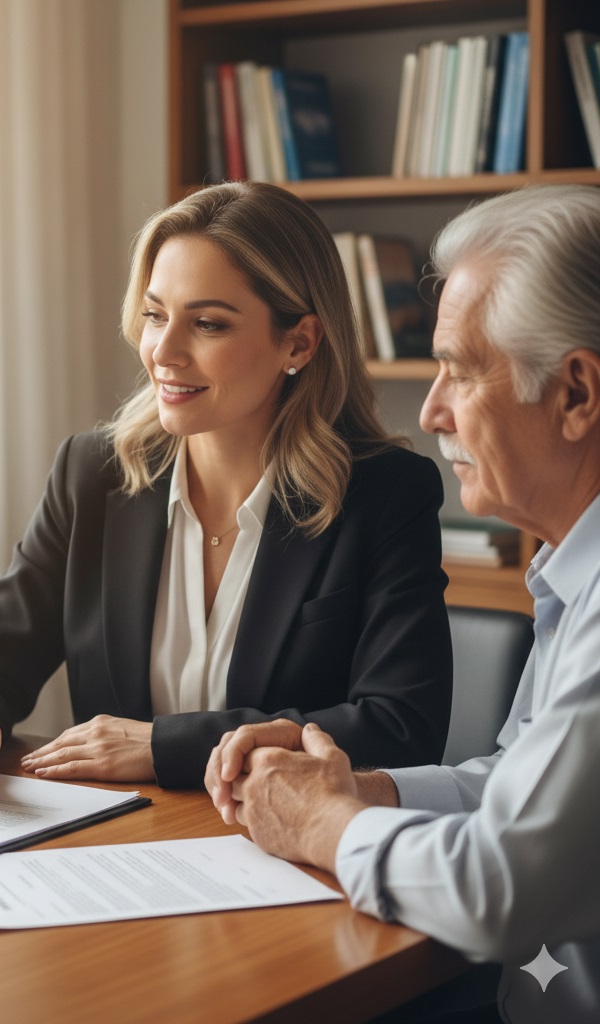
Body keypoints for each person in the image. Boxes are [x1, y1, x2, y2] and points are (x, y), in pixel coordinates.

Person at [0, 181, 451, 796]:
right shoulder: (92, 473)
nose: (163, 351)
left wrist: (162, 747)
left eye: (207, 323)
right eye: (155, 314)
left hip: (284, 851)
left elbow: (401, 728)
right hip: (111, 851)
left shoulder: (385, 495)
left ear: (299, 341)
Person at [206, 183, 600, 1024]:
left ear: (576, 395)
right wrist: (364, 790)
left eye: (460, 369)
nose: (429, 411)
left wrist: (323, 826)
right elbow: (521, 791)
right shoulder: (574, 572)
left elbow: (502, 885)